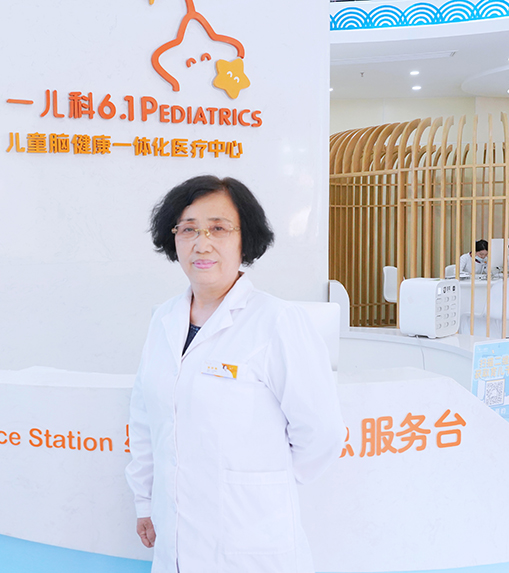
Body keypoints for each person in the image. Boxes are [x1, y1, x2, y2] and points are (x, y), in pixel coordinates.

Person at [126, 175, 346, 573]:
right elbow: (146, 419)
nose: (202, 243)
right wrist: (145, 500)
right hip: (174, 533)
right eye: (188, 229)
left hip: (252, 536)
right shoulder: (164, 319)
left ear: (245, 239)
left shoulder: (278, 321)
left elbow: (321, 432)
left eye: (219, 228)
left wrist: (261, 485)